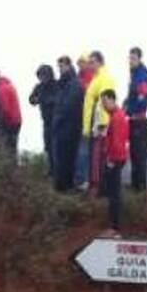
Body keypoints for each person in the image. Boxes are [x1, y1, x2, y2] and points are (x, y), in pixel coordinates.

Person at [79, 51, 116, 192]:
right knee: (94, 158)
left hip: (100, 126)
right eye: (89, 62)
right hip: (92, 124)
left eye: (93, 62)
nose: (90, 65)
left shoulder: (104, 78)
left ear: (100, 62)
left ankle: (99, 187)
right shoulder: (96, 78)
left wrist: (102, 125)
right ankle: (96, 186)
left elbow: (105, 102)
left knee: (99, 158)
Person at [51, 56, 85, 191]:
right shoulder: (63, 83)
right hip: (63, 127)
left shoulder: (74, 84)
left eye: (61, 66)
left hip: (69, 127)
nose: (59, 70)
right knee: (60, 157)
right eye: (58, 67)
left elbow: (68, 106)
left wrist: (57, 119)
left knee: (66, 157)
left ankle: (65, 186)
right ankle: (61, 185)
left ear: (68, 66)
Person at [100, 90, 129, 237]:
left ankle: (115, 228)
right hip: (117, 157)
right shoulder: (117, 116)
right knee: (113, 192)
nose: (103, 105)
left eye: (105, 102)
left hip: (116, 159)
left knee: (114, 194)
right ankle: (114, 226)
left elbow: (118, 142)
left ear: (112, 100)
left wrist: (111, 160)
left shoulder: (117, 117)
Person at [125, 48, 147, 191]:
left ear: (139, 59)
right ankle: (135, 184)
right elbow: (132, 95)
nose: (130, 61)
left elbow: (142, 98)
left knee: (139, 154)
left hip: (139, 119)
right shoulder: (135, 75)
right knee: (134, 153)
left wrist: (130, 109)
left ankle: (139, 186)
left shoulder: (141, 76)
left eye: (133, 58)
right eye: (129, 58)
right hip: (133, 118)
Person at [0, 66, 22, 165]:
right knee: (12, 150)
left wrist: (0, 124)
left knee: (5, 150)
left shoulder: (2, 89)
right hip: (15, 121)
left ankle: (6, 173)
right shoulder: (8, 85)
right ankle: (12, 172)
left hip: (8, 123)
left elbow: (5, 109)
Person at [28, 65, 59, 172]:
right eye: (40, 76)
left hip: (57, 120)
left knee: (57, 146)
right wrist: (36, 99)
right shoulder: (39, 87)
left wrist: (43, 99)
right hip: (46, 120)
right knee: (48, 145)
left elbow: (57, 99)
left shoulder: (56, 85)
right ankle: (51, 169)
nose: (42, 78)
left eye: (44, 75)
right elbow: (31, 100)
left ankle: (57, 170)